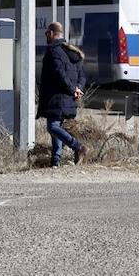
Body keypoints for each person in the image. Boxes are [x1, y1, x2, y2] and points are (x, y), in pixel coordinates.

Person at [37, 21, 84, 167]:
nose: (46, 36)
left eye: (47, 33)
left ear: (51, 34)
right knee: (57, 127)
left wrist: (72, 89)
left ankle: (77, 146)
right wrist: (77, 89)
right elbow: (82, 75)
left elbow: (59, 74)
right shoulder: (71, 51)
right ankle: (56, 160)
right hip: (67, 98)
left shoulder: (53, 51)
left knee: (52, 127)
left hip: (56, 97)